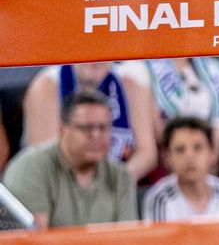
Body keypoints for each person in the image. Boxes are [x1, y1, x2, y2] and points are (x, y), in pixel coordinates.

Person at [2, 91, 136, 229]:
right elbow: (33, 241)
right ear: (62, 129)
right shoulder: (29, 168)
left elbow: (127, 239)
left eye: (103, 128)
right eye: (87, 128)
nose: (96, 135)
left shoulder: (120, 176)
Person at [21, 63, 159, 183]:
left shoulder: (132, 84)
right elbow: (45, 161)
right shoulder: (46, 86)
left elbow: (147, 154)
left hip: (116, 184)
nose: (95, 60)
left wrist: (116, 182)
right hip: (60, 186)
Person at [120, 57, 219, 169]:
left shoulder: (212, 68)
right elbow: (157, 132)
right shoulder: (139, 68)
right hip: (177, 153)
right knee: (212, 132)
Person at [142, 119, 219, 222]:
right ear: (167, 157)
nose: (189, 156)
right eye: (180, 149)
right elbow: (160, 239)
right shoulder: (160, 199)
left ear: (213, 153)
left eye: (198, 148)